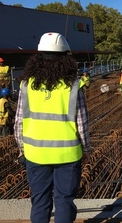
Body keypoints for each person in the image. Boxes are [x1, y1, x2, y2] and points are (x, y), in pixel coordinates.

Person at [13, 32, 90, 223]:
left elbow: (18, 124)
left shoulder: (26, 85)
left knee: (39, 201)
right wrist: (86, 149)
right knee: (64, 200)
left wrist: (23, 150)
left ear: (38, 57)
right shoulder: (73, 85)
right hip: (68, 155)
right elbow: (82, 124)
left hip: (35, 154)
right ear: (65, 57)